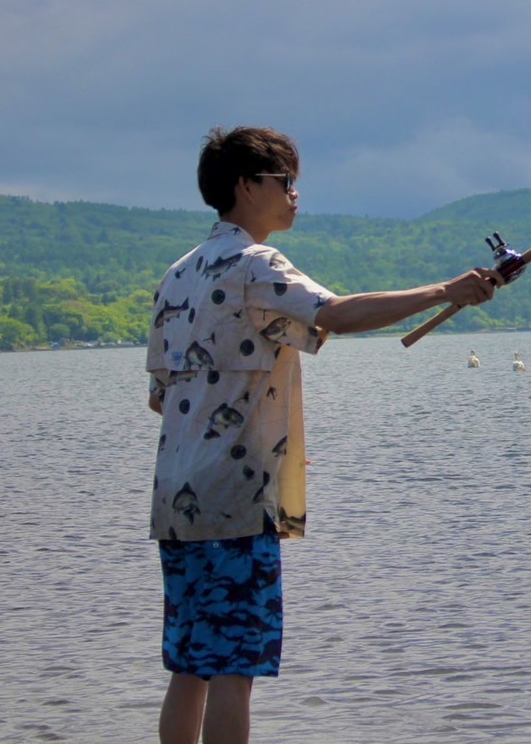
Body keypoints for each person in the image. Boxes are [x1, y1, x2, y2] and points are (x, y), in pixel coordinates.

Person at [146, 126, 501, 744]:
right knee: (235, 665)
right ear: (245, 186)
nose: (294, 195)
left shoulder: (178, 275)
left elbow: (161, 396)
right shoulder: (255, 263)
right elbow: (335, 313)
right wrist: (448, 290)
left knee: (190, 664)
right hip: (235, 499)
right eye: (285, 181)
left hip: (178, 500)